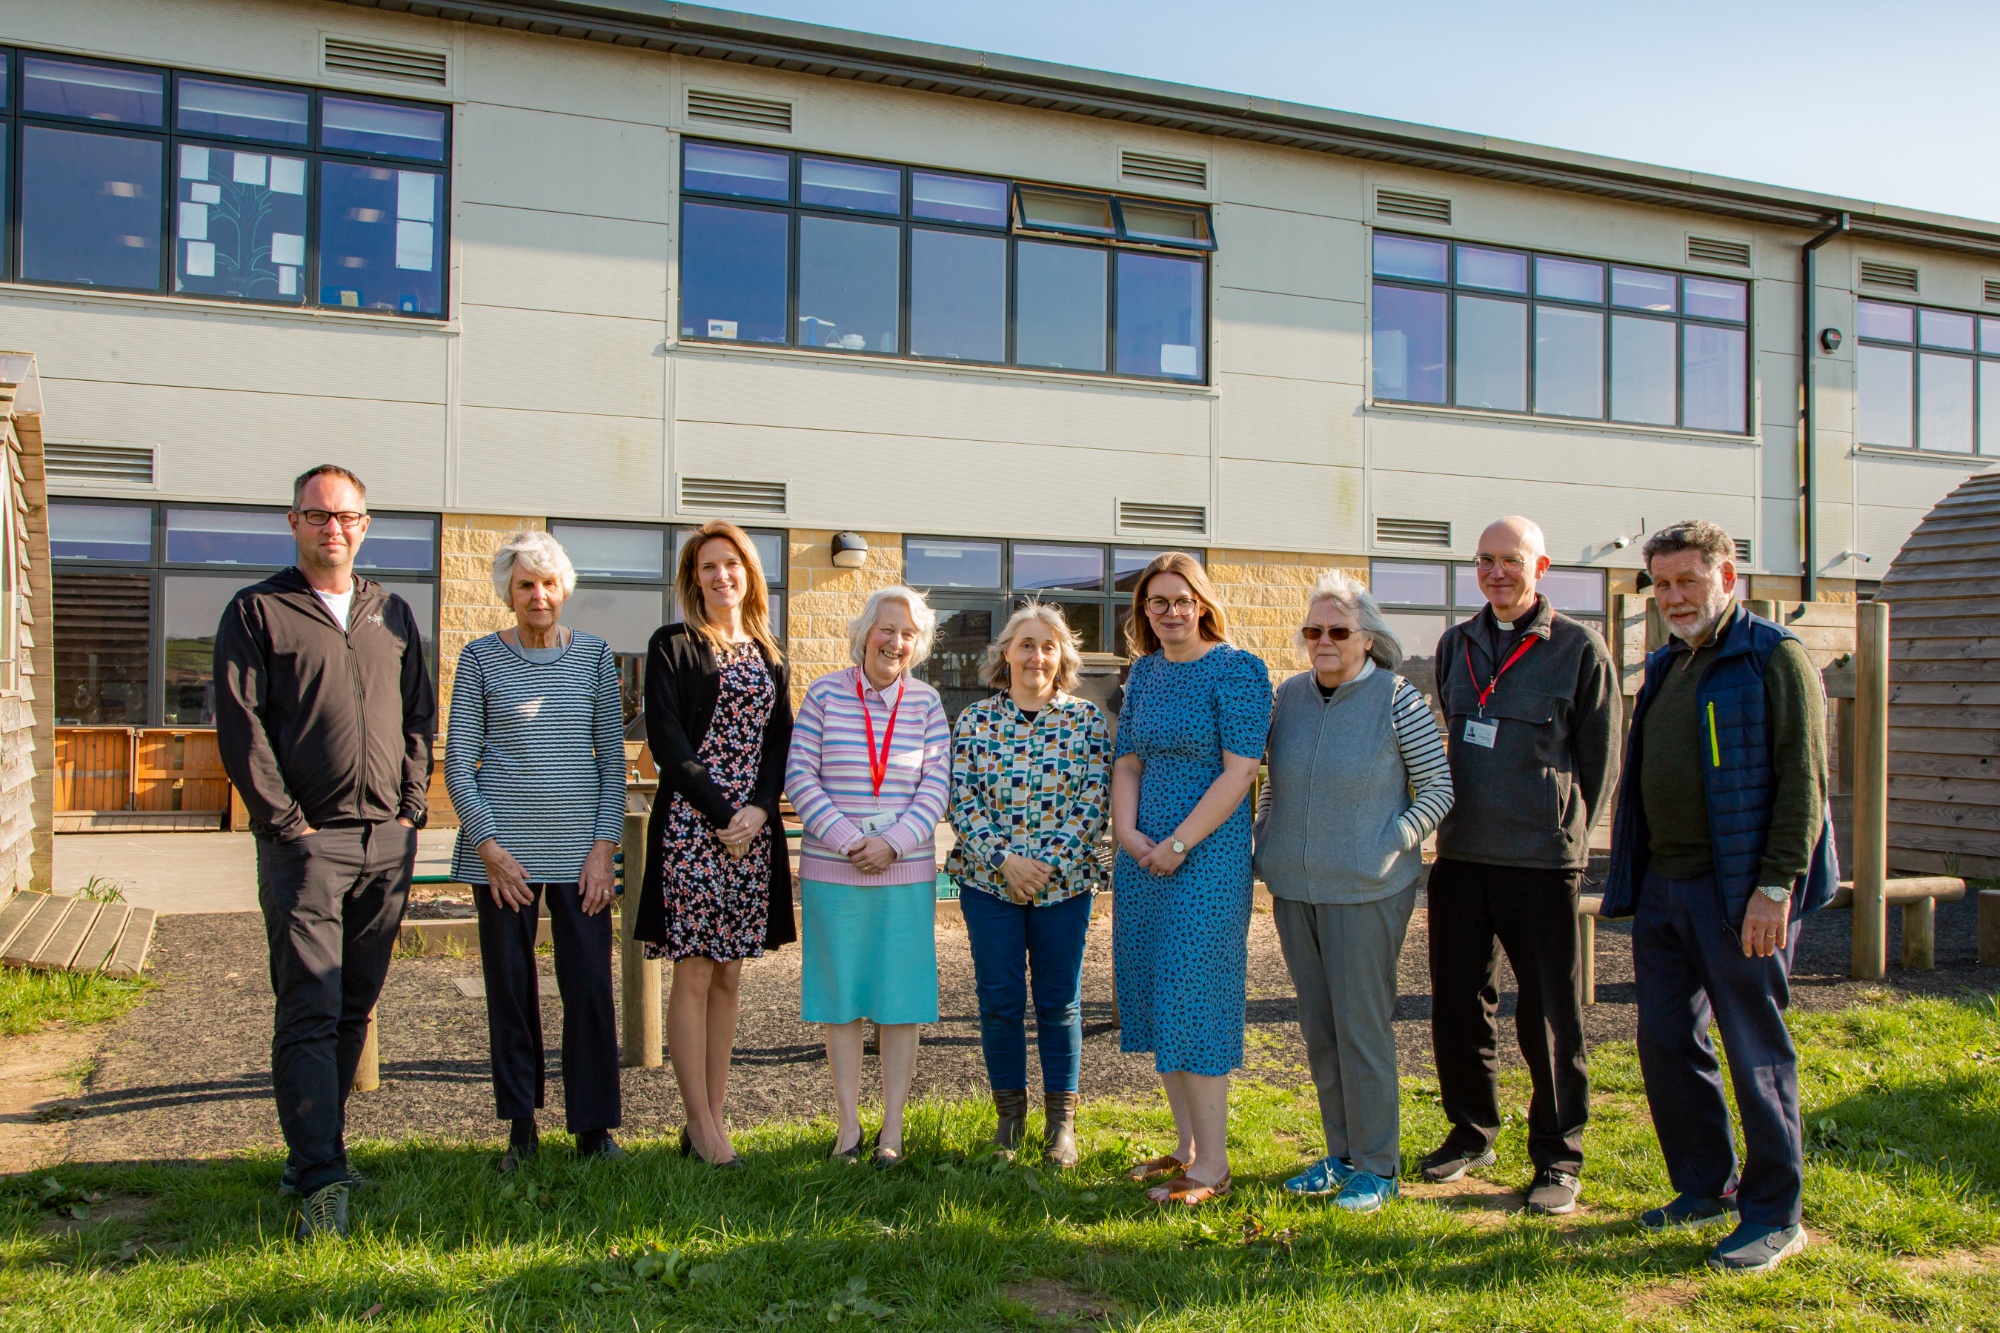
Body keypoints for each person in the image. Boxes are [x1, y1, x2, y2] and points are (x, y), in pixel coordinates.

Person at [1601, 519, 1837, 1274]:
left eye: (1687, 581)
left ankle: (1776, 1214)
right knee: (1666, 1040)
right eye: (1662, 584)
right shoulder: (1670, 664)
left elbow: (1804, 782)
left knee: (1755, 1050)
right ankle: (1704, 1187)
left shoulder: (1774, 657)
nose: (1672, 597)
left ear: (1727, 578)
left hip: (1742, 894)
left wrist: (1775, 887)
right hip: (1667, 891)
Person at [212, 464, 435, 1241]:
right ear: (294, 522)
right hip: (308, 844)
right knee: (308, 1006)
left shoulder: (394, 612)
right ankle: (320, 1179)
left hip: (386, 843)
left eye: (345, 516)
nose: (332, 527)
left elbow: (417, 720)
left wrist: (411, 811)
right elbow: (241, 728)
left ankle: (316, 1148)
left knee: (354, 1005)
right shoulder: (257, 611)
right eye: (317, 515)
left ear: (365, 525)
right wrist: (287, 826)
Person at [1420, 516, 1620, 1216]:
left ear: (1542, 566)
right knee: (1457, 1004)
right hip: (1461, 855)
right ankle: (1471, 1130)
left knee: (1549, 1016)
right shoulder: (1456, 643)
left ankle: (1559, 1156)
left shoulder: (1579, 649)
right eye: (1484, 560)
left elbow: (1600, 760)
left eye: (1510, 559)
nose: (1496, 572)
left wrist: (1571, 838)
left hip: (1541, 863)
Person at [1256, 572, 1453, 1213]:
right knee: (1319, 1030)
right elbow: (1271, 780)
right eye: (1313, 631)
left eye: (1338, 631)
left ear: (1367, 639)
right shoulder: (1288, 696)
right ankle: (1341, 1156)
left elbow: (1441, 792)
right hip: (1295, 888)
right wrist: (1266, 834)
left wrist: (1388, 839)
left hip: (1368, 891)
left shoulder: (1397, 699)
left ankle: (1379, 1164)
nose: (1324, 641)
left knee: (1360, 1030)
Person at [445, 531, 627, 1171]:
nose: (538, 596)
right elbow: (460, 765)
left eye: (548, 584)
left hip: (582, 857)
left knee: (588, 989)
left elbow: (613, 764)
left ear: (564, 589)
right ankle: (521, 1129)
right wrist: (489, 847)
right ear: (509, 593)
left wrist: (604, 848)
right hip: (502, 861)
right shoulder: (479, 660)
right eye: (525, 585)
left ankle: (594, 1130)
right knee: (511, 991)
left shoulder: (597, 658)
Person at [1111, 552, 1272, 1207]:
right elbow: (1127, 762)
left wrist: (1180, 842)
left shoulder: (1236, 670)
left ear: (1202, 602)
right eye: (1158, 602)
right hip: (1143, 855)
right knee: (1156, 993)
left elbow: (1240, 771)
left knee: (1195, 994)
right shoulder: (1145, 672)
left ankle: (1216, 1164)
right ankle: (1184, 1148)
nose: (1171, 611)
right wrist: (1127, 834)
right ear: (1144, 611)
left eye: (1182, 599)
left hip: (1205, 856)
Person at [634, 520, 795, 1168]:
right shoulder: (671, 645)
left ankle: (713, 1115)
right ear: (693, 578)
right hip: (693, 830)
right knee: (695, 971)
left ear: (749, 573)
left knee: (730, 973)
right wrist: (726, 812)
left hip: (752, 834)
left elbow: (779, 742)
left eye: (732, 564)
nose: (721, 575)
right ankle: (699, 1123)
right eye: (708, 566)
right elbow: (668, 742)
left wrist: (758, 810)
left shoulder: (768, 650)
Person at [786, 586, 950, 1168]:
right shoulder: (826, 693)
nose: (896, 642)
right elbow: (800, 776)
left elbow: (936, 787)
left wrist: (892, 843)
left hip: (903, 874)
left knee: (900, 1002)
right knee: (843, 1000)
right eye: (887, 630)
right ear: (864, 633)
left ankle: (893, 1132)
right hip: (836, 872)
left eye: (908, 634)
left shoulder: (928, 703)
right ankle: (848, 1127)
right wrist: (852, 841)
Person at [946, 602, 1110, 1169]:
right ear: (1005, 654)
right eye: (1025, 644)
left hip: (1064, 887)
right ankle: (1009, 1119)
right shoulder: (973, 722)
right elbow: (960, 797)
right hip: (988, 884)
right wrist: (1005, 863)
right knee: (998, 1000)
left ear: (1061, 655)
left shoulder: (1086, 721)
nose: (1036, 655)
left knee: (1059, 1002)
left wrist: (1044, 867)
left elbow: (1095, 799)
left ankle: (1060, 1125)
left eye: (1047, 645)